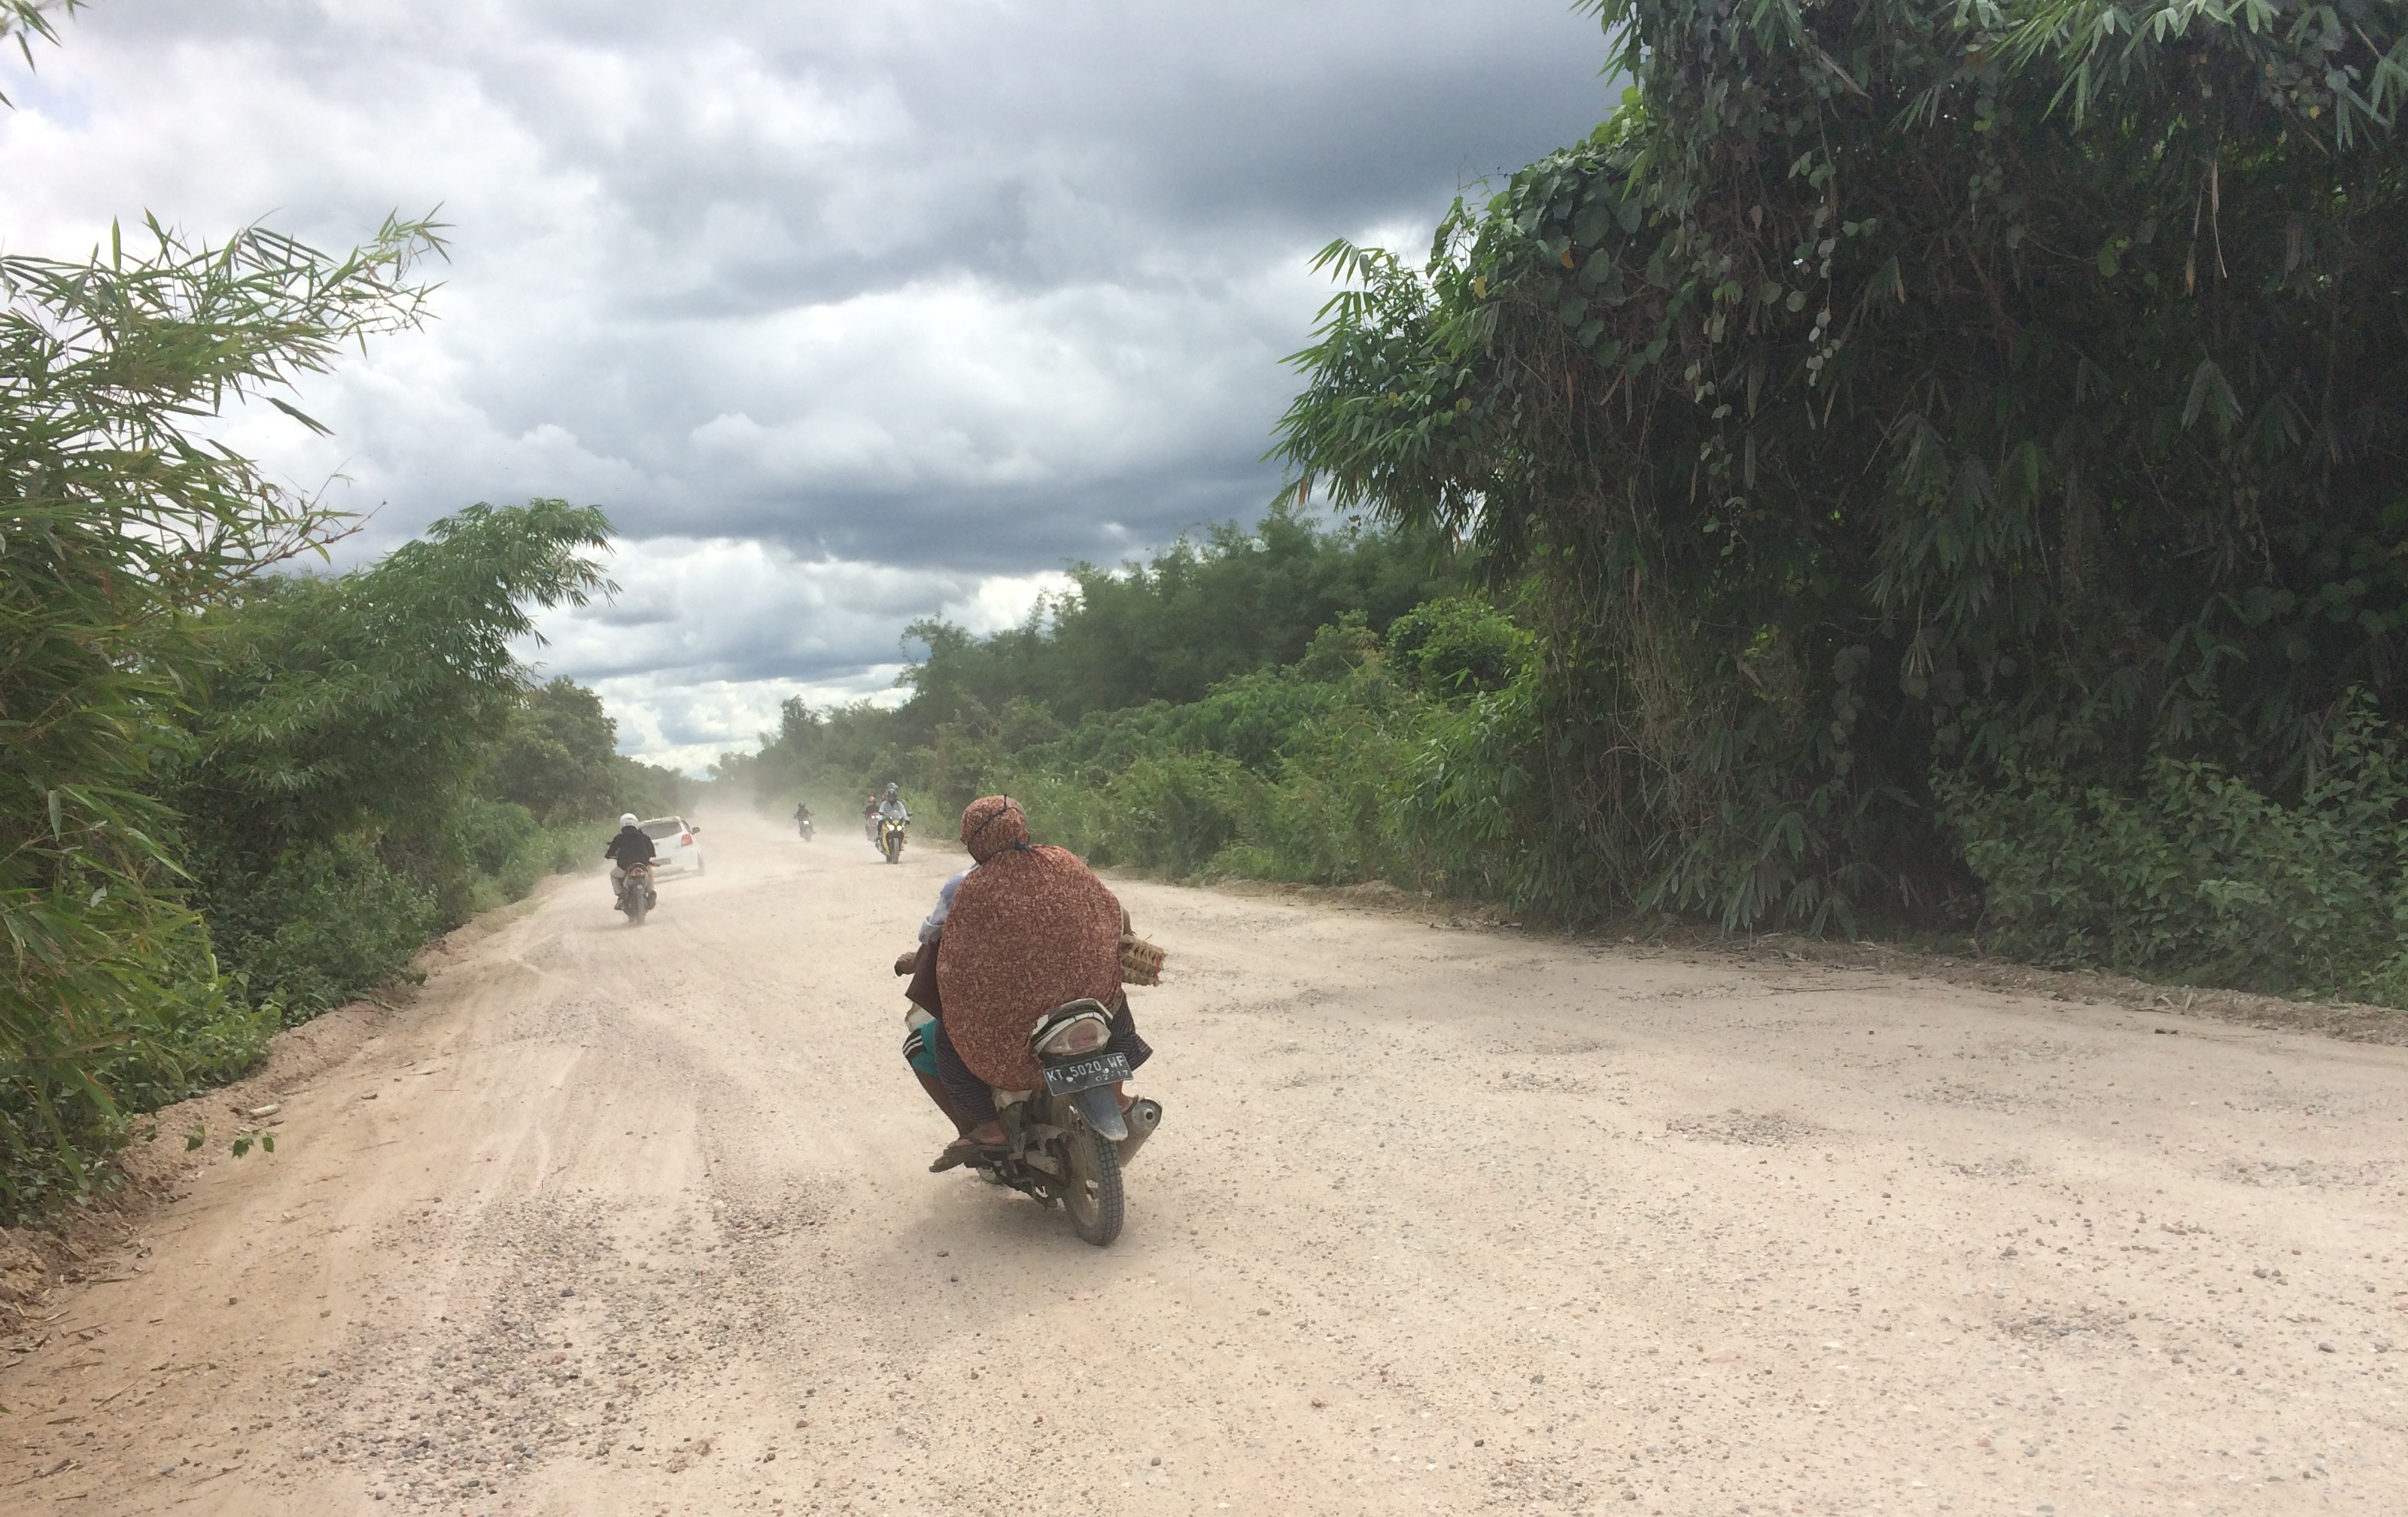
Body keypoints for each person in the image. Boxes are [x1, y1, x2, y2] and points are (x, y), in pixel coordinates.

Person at [908, 795, 1154, 1172]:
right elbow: (1109, 909)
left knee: (947, 1039)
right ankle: (1118, 1097)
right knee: (1113, 996)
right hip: (1082, 1001)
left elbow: (942, 942)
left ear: (974, 840)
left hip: (1014, 1021)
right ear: (1020, 826)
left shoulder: (968, 886)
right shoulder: (1065, 862)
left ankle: (988, 1129)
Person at [603, 813, 655, 902]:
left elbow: (610, 852)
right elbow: (652, 852)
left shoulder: (619, 838)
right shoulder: (645, 837)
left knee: (613, 875)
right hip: (643, 866)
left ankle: (621, 895)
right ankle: (651, 893)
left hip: (625, 868)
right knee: (650, 874)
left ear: (622, 824)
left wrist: (608, 855)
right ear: (636, 823)